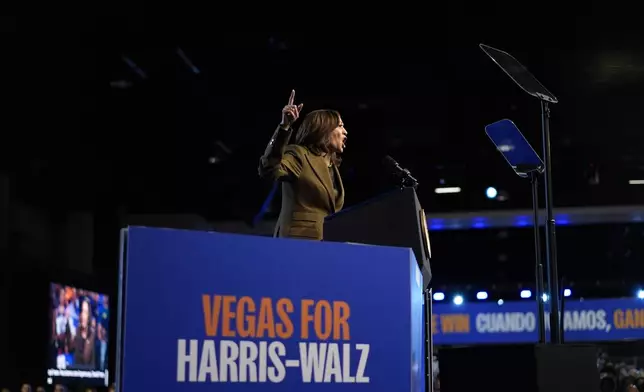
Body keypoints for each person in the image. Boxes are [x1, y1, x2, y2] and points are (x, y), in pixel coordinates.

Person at [258, 90, 348, 240]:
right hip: (298, 242)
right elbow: (268, 169)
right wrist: (284, 126)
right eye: (340, 126)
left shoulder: (333, 167)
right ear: (324, 129)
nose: (345, 132)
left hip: (325, 246)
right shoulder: (299, 155)